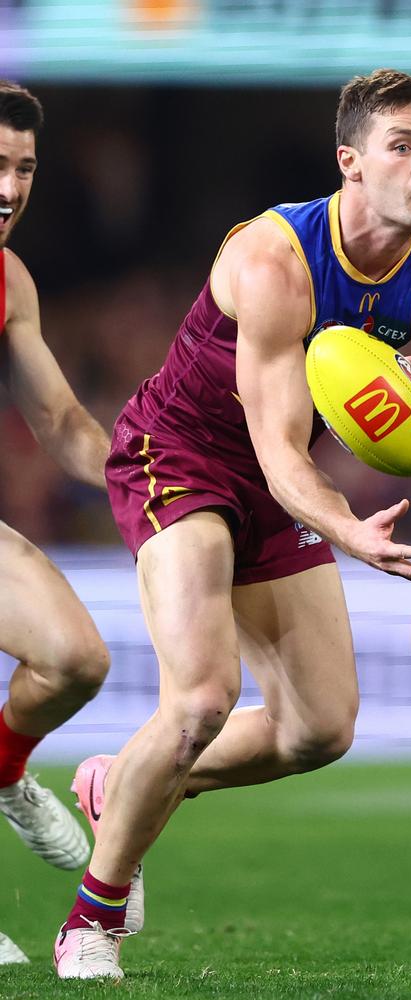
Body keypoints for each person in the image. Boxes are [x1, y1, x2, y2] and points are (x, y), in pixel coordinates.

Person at [53, 68, 411, 980]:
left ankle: (119, 783)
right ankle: (92, 916)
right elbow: (284, 450)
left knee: (319, 731)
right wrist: (353, 531)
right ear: (350, 164)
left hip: (273, 477)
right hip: (178, 456)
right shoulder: (273, 260)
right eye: (401, 147)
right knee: (202, 699)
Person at [0, 80, 112, 960]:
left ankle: (4, 771)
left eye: (24, 167)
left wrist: (156, 485)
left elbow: (66, 427)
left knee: (75, 659)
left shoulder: (8, 279)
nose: (9, 188)